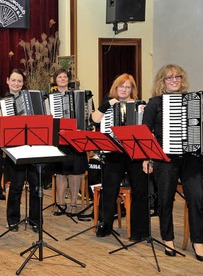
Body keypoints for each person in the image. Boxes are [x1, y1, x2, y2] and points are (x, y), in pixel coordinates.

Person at [142, 64, 203, 262]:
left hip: (192, 159)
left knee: (197, 199)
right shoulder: (154, 103)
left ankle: (198, 242)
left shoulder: (194, 101)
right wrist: (147, 157)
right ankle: (167, 239)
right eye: (169, 78)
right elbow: (146, 132)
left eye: (177, 77)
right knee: (165, 200)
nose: (174, 80)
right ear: (162, 82)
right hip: (165, 159)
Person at [91, 73, 149, 240]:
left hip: (134, 153)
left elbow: (145, 127)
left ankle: (140, 231)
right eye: (121, 86)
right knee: (109, 189)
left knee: (140, 190)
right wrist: (108, 104)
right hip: (113, 152)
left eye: (127, 87)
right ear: (115, 88)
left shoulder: (140, 105)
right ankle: (105, 224)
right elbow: (94, 119)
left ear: (132, 89)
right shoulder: (108, 104)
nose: (124, 89)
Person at [0, 69, 40, 232]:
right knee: (16, 184)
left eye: (19, 81)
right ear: (7, 80)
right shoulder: (1, 102)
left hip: (33, 146)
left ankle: (35, 220)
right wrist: (9, 133)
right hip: (14, 147)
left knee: (35, 184)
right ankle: (13, 220)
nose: (16, 83)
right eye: (13, 80)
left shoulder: (31, 99)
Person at [50, 69, 87, 217]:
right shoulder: (50, 97)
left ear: (68, 79)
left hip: (75, 138)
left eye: (65, 76)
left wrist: (86, 111)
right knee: (60, 172)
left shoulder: (79, 96)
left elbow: (86, 115)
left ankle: (73, 203)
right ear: (55, 80)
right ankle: (60, 203)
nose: (63, 79)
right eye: (60, 76)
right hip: (58, 138)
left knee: (76, 171)